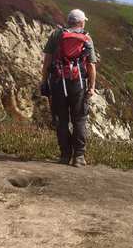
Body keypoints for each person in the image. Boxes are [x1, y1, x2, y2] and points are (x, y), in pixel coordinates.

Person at [40, 9, 97, 167]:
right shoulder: (86, 38)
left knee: (61, 120)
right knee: (79, 119)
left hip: (58, 82)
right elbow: (91, 66)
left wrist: (44, 82)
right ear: (80, 22)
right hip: (77, 83)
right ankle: (79, 157)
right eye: (84, 20)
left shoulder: (56, 35)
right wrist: (91, 87)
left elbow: (47, 62)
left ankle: (65, 155)